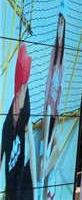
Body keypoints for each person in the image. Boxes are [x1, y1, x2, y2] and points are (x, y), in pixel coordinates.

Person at [1, 43, 35, 200]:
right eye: (21, 89)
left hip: (21, 186)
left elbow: (32, 152)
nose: (23, 92)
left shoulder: (25, 123)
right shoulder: (7, 127)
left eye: (24, 89)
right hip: (11, 189)